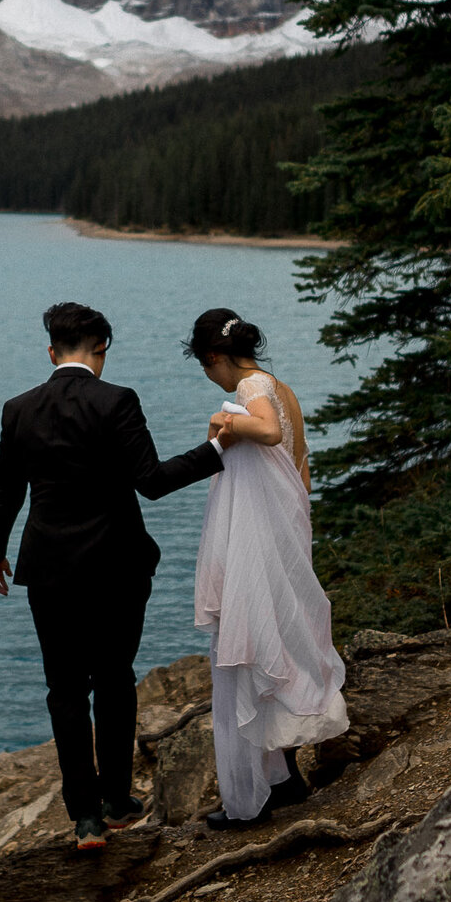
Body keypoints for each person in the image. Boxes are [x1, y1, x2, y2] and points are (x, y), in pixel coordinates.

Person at [0, 301, 229, 850]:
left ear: (51, 352)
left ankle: (85, 819)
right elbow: (153, 481)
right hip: (116, 566)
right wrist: (218, 450)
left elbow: (6, 493)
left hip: (47, 570)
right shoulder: (116, 401)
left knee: (65, 690)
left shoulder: (17, 409)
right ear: (102, 351)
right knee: (115, 680)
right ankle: (118, 801)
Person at [189, 307, 348, 827]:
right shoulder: (282, 385)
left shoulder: (254, 385)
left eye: (205, 366)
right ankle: (285, 778)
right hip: (285, 526)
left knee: (255, 643)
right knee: (280, 636)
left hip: (264, 535)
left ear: (215, 356)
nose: (209, 377)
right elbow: (302, 460)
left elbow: (272, 434)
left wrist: (224, 420)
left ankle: (256, 796)